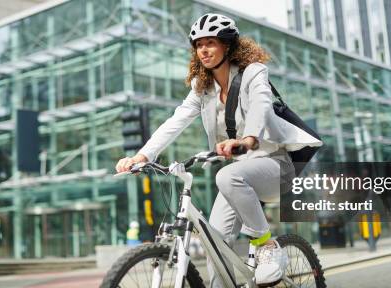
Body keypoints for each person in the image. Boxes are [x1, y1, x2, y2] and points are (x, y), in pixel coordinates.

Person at [115, 13, 322, 287]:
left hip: (274, 166)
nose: (204, 50)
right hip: (238, 177)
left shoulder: (253, 72)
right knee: (215, 244)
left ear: (227, 45)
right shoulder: (202, 88)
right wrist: (142, 156)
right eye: (199, 45)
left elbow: (261, 104)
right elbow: (175, 121)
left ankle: (267, 245)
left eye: (211, 42)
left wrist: (248, 139)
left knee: (226, 176)